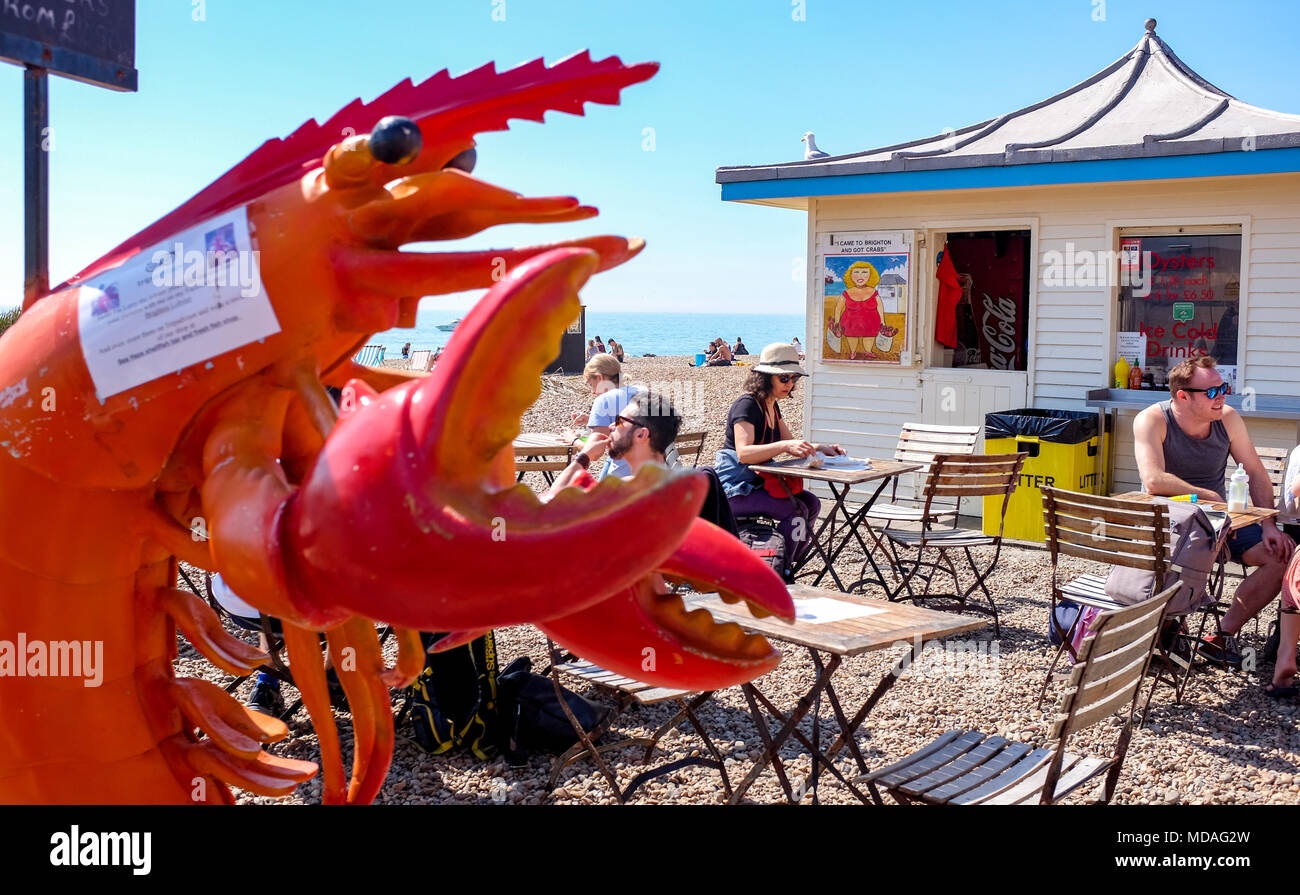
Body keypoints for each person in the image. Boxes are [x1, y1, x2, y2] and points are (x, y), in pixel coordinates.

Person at [1133, 355, 1295, 670]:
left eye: (1224, 388)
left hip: (1223, 521)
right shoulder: (1152, 419)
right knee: (1185, 557)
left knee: (1281, 557)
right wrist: (1206, 496)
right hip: (1173, 521)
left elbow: (1257, 474)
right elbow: (1153, 480)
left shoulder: (1228, 418)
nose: (1221, 396)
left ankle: (1219, 636)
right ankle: (1169, 630)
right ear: (1182, 396)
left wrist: (1269, 525)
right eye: (1211, 392)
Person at [719, 343, 843, 569]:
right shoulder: (746, 405)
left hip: (758, 484)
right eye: (784, 379)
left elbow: (791, 443)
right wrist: (785, 446)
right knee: (795, 510)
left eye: (793, 378)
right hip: (735, 490)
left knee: (812, 503)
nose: (790, 384)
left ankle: (788, 562)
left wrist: (821, 447)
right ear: (766, 378)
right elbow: (744, 453)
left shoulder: (772, 407)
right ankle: (779, 570)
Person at [547, 388, 737, 535]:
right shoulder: (676, 488)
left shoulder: (625, 491)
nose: (611, 426)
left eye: (619, 421)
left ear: (641, 434)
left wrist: (585, 456)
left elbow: (548, 506)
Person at [570, 353, 639, 480]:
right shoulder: (642, 391)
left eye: (591, 384)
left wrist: (572, 439)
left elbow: (594, 453)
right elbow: (628, 425)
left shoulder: (603, 400)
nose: (592, 391)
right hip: (656, 472)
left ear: (600, 378)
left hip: (624, 477)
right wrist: (591, 420)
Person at [832, 261, 885, 360]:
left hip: (871, 323)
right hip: (850, 323)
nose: (860, 276)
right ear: (850, 275)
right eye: (856, 272)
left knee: (869, 337)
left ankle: (868, 351)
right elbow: (838, 308)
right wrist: (836, 321)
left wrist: (882, 320)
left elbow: (880, 307)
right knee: (852, 337)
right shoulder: (846, 293)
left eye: (864, 272)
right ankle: (853, 352)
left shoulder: (874, 292)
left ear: (871, 275)